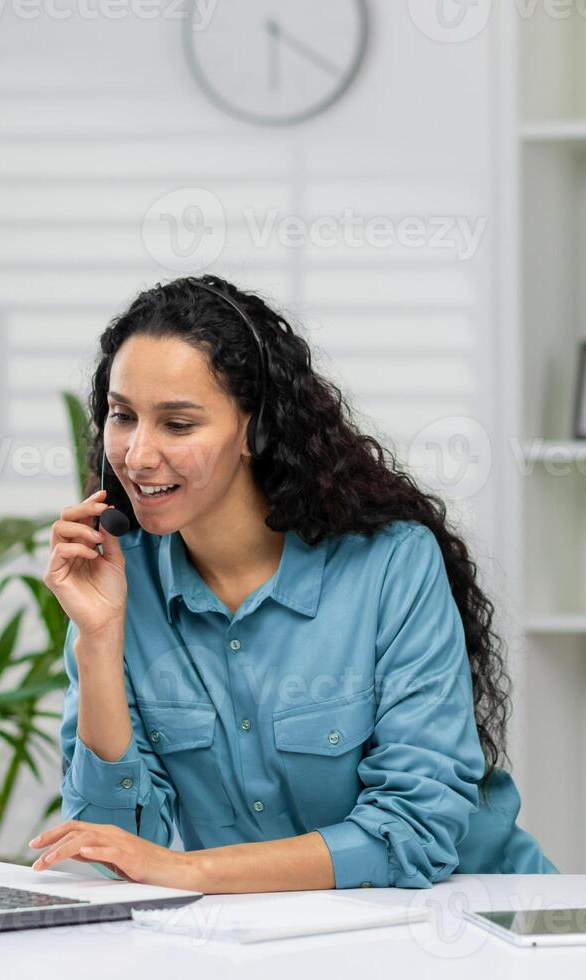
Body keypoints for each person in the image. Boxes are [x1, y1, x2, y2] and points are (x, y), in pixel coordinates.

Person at [31, 275, 554, 892]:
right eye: (123, 416)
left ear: (255, 430)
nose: (138, 455)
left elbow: (413, 830)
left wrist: (190, 868)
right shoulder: (120, 579)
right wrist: (97, 641)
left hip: (477, 915)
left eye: (177, 424)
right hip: (277, 933)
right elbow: (113, 843)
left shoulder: (390, 565)